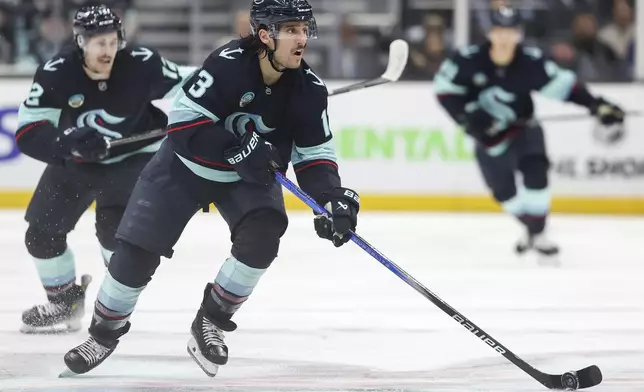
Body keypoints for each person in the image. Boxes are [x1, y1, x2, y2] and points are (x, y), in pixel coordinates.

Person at [62, 0, 360, 377]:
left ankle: (211, 321)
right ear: (265, 35)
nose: (302, 38)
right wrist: (235, 147)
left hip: (245, 181)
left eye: (304, 29)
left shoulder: (309, 89)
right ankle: (103, 335)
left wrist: (330, 198)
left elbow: (315, 154)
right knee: (135, 254)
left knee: (263, 237)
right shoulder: (227, 64)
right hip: (182, 168)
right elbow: (183, 125)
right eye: (292, 30)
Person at [16, 4, 194, 333]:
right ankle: (64, 304)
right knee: (41, 235)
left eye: (113, 42)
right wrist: (66, 143)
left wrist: (231, 92)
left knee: (116, 237)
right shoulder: (57, 71)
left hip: (134, 159)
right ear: (81, 42)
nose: (108, 51)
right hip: (76, 162)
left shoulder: (141, 63)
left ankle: (111, 307)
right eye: (99, 43)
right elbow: (28, 131)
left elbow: (194, 83)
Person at [433, 6, 624, 264]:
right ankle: (533, 230)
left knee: (536, 171)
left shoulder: (530, 62)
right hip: (488, 139)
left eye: (510, 32)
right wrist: (469, 119)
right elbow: (444, 91)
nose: (504, 38)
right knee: (504, 193)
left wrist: (597, 105)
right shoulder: (467, 59)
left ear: (519, 34)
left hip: (524, 129)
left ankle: (538, 234)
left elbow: (566, 87)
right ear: (490, 32)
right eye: (499, 31)